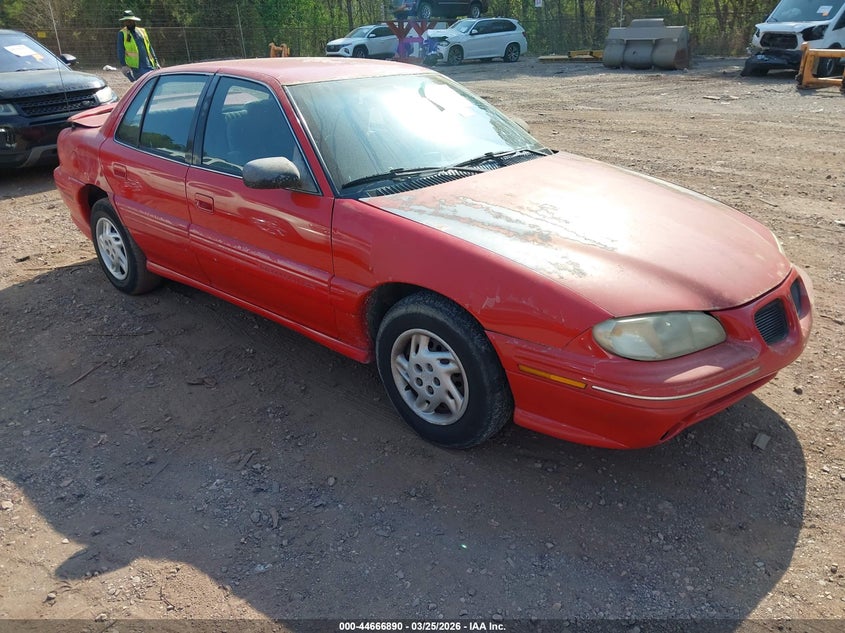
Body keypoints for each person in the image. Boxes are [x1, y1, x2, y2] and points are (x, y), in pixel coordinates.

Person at [116, 9, 159, 82]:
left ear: (134, 21)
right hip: (136, 68)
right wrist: (124, 65)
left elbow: (149, 47)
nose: (128, 23)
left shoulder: (142, 31)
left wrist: (156, 61)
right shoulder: (122, 33)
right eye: (126, 21)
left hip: (150, 65)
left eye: (130, 21)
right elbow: (120, 50)